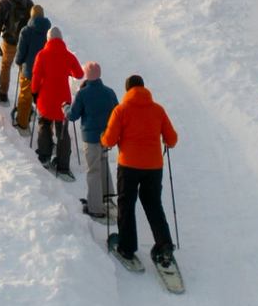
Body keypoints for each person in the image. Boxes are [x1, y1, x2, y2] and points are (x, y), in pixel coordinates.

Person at [101, 74, 179, 266]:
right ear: (144, 88)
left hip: (129, 166)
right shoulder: (158, 110)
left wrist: (104, 138)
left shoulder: (121, 110)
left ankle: (127, 248)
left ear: (127, 90)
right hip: (153, 167)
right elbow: (172, 140)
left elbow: (109, 140)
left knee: (126, 204)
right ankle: (165, 246)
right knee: (153, 204)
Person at [66, 61, 118, 219]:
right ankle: (107, 196)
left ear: (87, 75)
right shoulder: (109, 92)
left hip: (91, 137)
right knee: (103, 164)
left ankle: (96, 207)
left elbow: (72, 115)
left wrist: (65, 108)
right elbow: (117, 112)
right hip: (106, 136)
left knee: (93, 170)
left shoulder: (83, 94)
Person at [31, 26, 83, 176]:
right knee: (62, 131)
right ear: (60, 39)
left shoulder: (42, 55)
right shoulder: (68, 55)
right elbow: (79, 74)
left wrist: (34, 92)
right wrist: (69, 70)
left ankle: (44, 156)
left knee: (44, 125)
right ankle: (63, 166)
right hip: (63, 101)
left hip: (46, 99)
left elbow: (36, 79)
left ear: (48, 39)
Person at [0, 0, 32, 103]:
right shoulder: (29, 3)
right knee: (23, 71)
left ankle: (3, 93)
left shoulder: (3, 3)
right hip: (24, 44)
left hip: (9, 43)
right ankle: (24, 101)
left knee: (6, 66)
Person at [12, 4, 51, 132]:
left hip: (28, 71)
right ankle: (45, 129)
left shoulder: (26, 31)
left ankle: (23, 123)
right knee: (43, 99)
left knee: (25, 96)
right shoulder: (48, 32)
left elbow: (21, 51)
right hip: (44, 72)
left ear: (31, 15)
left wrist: (18, 61)